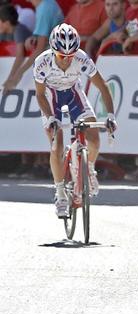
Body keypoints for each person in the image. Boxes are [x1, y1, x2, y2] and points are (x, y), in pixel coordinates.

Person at [33, 23, 116, 217]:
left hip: (73, 94)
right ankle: (61, 193)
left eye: (71, 56)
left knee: (94, 138)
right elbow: (39, 95)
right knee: (57, 145)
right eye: (63, 56)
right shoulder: (42, 62)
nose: (67, 60)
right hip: (50, 96)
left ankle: (89, 169)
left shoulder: (81, 59)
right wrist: (51, 118)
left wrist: (111, 116)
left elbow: (103, 87)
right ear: (53, 52)